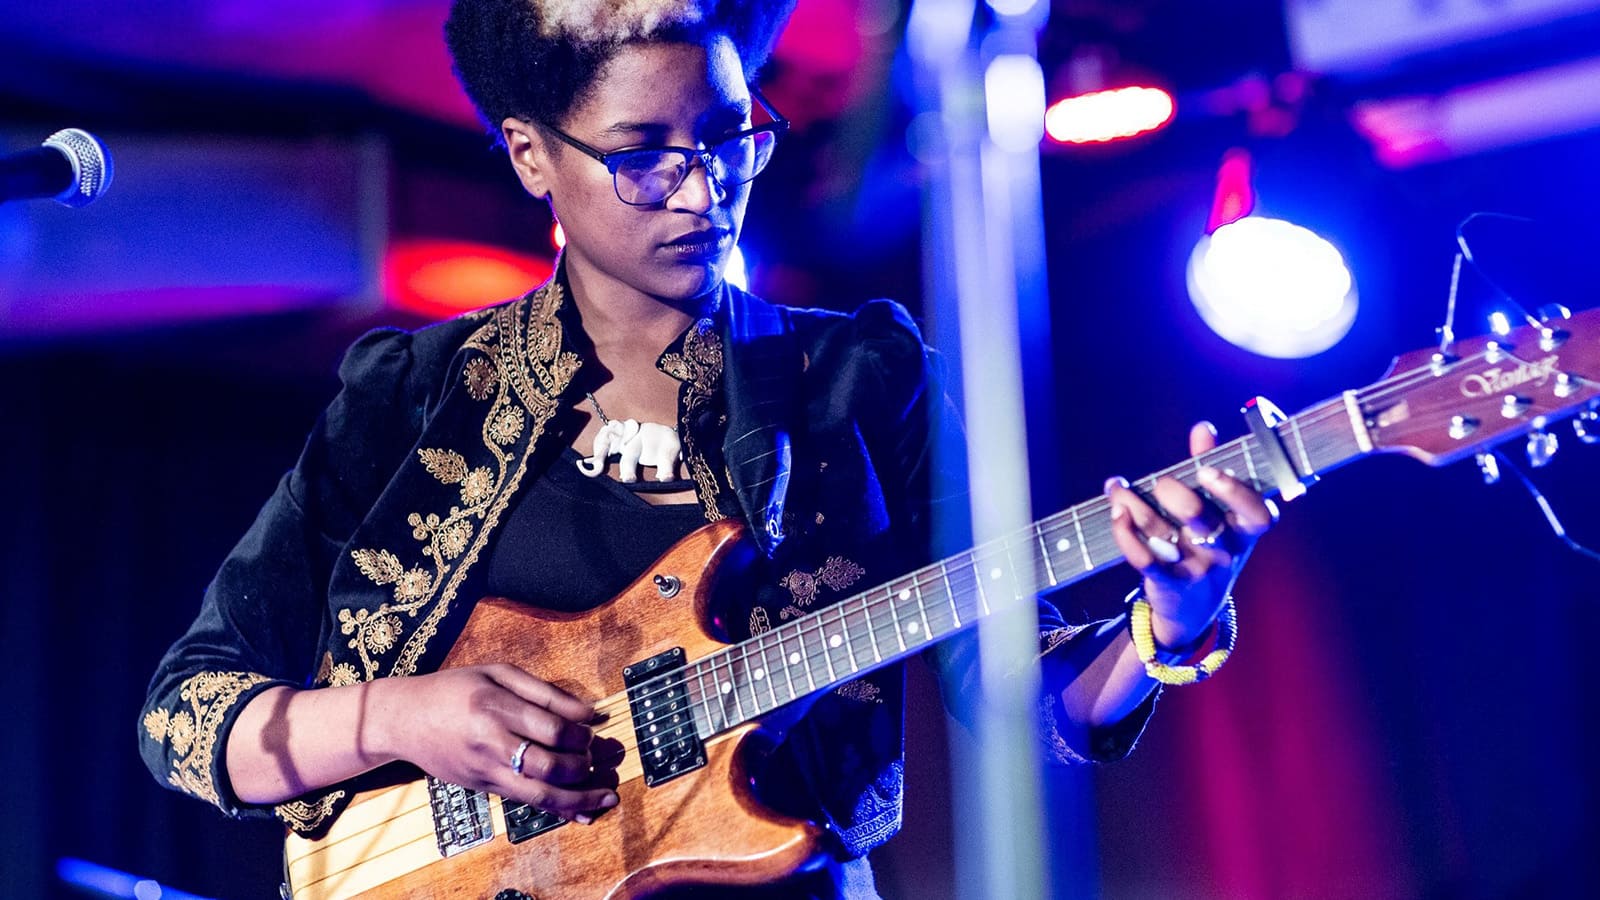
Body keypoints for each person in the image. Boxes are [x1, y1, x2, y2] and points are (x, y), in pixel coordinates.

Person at [137, 0, 1275, 896]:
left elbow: (1017, 703)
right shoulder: (412, 396)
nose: (701, 189)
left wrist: (1166, 625)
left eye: (727, 137)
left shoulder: (861, 378)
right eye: (642, 155)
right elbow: (186, 716)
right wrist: (399, 716)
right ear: (534, 157)